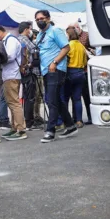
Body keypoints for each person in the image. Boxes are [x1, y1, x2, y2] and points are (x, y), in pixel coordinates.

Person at [34, 10, 78, 143]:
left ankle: (50, 130)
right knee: (56, 100)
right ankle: (70, 125)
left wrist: (55, 62)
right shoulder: (41, 34)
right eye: (37, 19)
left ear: (48, 18)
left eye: (42, 18)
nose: (39, 21)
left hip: (56, 69)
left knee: (51, 99)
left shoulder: (55, 31)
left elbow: (66, 48)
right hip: (45, 70)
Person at [0, 25, 27, 141]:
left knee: (14, 103)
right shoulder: (7, 40)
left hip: (12, 75)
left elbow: (10, 56)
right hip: (8, 75)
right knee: (11, 103)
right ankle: (14, 127)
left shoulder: (11, 40)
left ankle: (21, 130)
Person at [17, 22, 43, 131]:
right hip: (30, 71)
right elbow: (35, 50)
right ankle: (30, 122)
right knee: (30, 97)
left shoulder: (19, 39)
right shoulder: (24, 40)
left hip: (25, 71)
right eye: (30, 29)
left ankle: (29, 121)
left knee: (28, 97)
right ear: (26, 29)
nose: (30, 31)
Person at [65, 27, 88, 128]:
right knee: (77, 98)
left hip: (70, 72)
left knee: (65, 98)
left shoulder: (68, 46)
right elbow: (85, 62)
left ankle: (67, 120)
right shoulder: (81, 46)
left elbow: (65, 60)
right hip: (81, 73)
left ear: (69, 35)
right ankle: (79, 120)